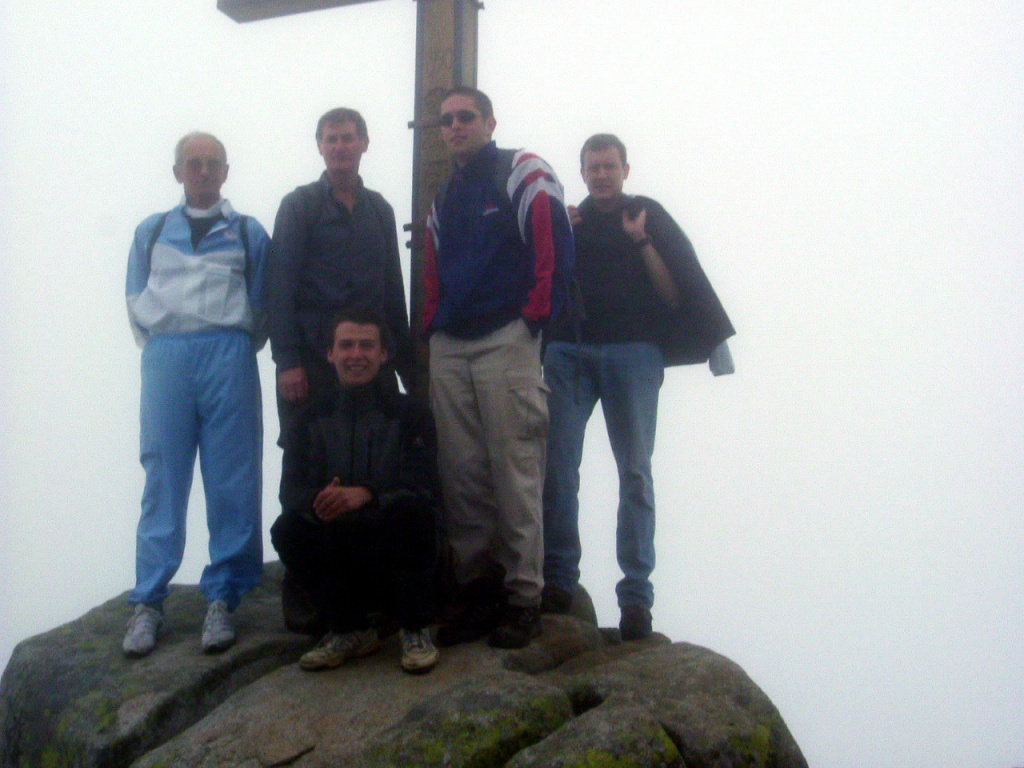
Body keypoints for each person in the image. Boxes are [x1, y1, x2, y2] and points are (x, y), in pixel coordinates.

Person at [541, 133, 735, 640]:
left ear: (625, 169)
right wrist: (562, 237)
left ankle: (635, 601)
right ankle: (557, 582)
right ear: (582, 172)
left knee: (635, 474)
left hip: (634, 354)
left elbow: (676, 293)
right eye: (593, 167)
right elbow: (542, 283)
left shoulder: (645, 215)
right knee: (557, 468)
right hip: (570, 352)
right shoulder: (570, 220)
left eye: (610, 166)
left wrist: (642, 241)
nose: (602, 175)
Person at [422, 86, 575, 649]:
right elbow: (432, 264)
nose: (455, 127)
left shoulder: (522, 169)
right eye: (447, 120)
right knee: (462, 475)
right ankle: (478, 593)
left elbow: (552, 241)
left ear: (489, 121)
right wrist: (432, 325)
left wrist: (536, 316)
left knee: (515, 470)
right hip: (451, 343)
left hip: (506, 337)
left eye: (466, 117)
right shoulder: (445, 193)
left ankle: (523, 596)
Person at [123, 132, 270, 657]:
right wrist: (165, 342)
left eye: (213, 164)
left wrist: (235, 342)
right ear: (178, 171)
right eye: (194, 163)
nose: (203, 171)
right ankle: (148, 602)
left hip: (228, 351)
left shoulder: (249, 232)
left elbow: (261, 303)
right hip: (167, 355)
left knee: (234, 475)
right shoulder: (151, 231)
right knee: (162, 474)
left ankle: (223, 597)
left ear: (226, 172)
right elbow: (135, 296)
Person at [270, 309, 441, 674]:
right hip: (341, 560)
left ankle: (414, 628)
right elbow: (290, 491)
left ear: (384, 353)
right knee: (287, 529)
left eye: (367, 345)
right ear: (330, 353)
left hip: (395, 557)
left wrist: (368, 493)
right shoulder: (308, 418)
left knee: (417, 514)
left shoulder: (411, 413)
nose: (356, 354)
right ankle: (349, 630)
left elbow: (425, 480)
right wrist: (321, 501)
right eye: (346, 345)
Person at [268, 107, 413, 442]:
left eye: (347, 138)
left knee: (381, 452)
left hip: (371, 358)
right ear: (319, 145)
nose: (339, 147)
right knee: (309, 454)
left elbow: (393, 290)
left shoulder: (380, 209)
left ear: (364, 143)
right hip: (312, 359)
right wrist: (287, 361)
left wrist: (405, 365)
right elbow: (280, 287)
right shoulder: (299, 205)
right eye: (331, 139)